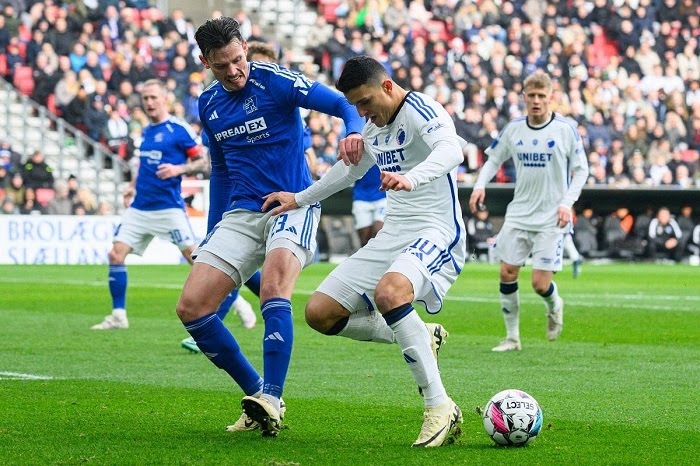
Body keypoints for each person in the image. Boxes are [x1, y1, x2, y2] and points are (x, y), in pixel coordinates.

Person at [175, 17, 365, 438]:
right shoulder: (208, 104)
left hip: (293, 202)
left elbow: (342, 104)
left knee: (274, 287)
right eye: (222, 65)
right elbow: (220, 169)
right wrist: (212, 229)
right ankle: (257, 394)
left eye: (238, 60)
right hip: (242, 212)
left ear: (245, 48)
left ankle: (273, 399)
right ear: (205, 62)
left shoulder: (276, 80)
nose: (234, 71)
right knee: (191, 308)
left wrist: (352, 132)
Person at [263, 55, 465, 447]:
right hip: (394, 234)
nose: (361, 113)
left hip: (436, 230)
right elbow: (348, 172)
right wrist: (299, 198)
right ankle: (421, 335)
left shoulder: (420, 108)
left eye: (366, 102)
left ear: (387, 86)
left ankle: (439, 406)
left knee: (390, 293)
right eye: (355, 106)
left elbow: (451, 150)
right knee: (320, 313)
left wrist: (411, 178)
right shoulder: (373, 127)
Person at [91, 80, 259, 336]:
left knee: (198, 262)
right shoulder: (146, 131)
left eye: (153, 98)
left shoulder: (178, 130)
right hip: (140, 207)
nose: (149, 103)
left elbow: (203, 162)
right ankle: (118, 315)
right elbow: (144, 164)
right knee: (115, 255)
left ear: (165, 99)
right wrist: (132, 186)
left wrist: (178, 169)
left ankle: (237, 302)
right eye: (145, 98)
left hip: (169, 208)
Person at [469, 71, 588, 352]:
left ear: (551, 98)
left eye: (541, 96)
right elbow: (493, 159)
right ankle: (512, 337)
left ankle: (555, 304)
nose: (536, 101)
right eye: (531, 96)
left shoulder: (565, 130)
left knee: (538, 283)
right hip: (519, 213)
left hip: (551, 217)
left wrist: (566, 203)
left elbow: (582, 170)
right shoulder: (514, 129)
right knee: (507, 272)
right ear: (524, 97)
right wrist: (479, 185)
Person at [352, 165, 386, 246]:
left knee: (379, 232)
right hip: (361, 196)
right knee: (364, 239)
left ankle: (381, 257)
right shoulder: (356, 152)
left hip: (382, 195)